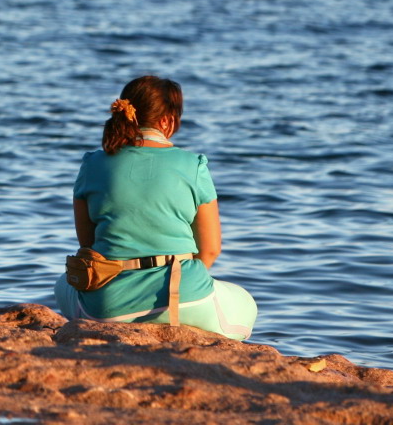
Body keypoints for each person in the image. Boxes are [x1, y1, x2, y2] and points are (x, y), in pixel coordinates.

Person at [54, 76, 256, 339]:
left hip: (107, 307)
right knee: (244, 301)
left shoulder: (92, 164)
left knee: (62, 285)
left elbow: (89, 246)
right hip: (180, 299)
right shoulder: (193, 164)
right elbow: (210, 249)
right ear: (166, 121)